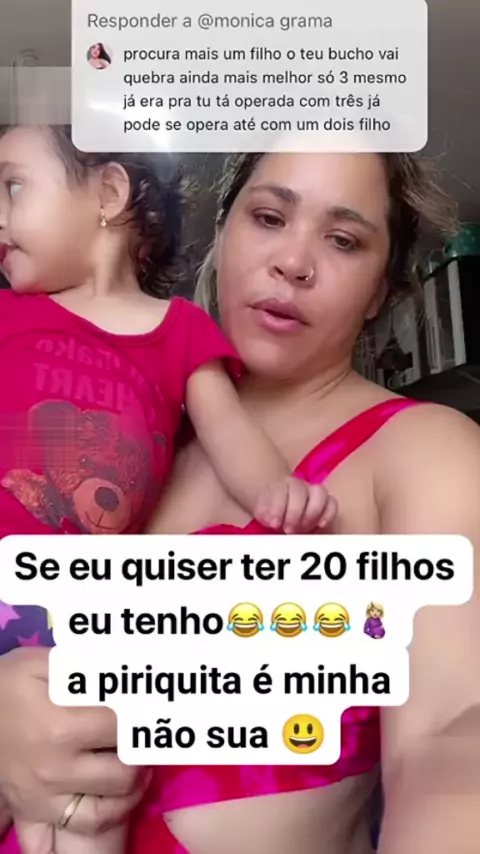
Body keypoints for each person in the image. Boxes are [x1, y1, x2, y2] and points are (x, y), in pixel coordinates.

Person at [0, 148, 479, 854]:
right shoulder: (129, 451)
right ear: (223, 235)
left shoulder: (426, 451)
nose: (294, 262)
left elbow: (453, 746)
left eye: (343, 239)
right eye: (269, 218)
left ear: (380, 289)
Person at [0, 126, 336, 854]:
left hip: (90, 615)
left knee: (91, 809)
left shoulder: (180, 329)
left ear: (108, 193)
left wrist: (280, 494)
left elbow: (230, 433)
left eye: (13, 186)